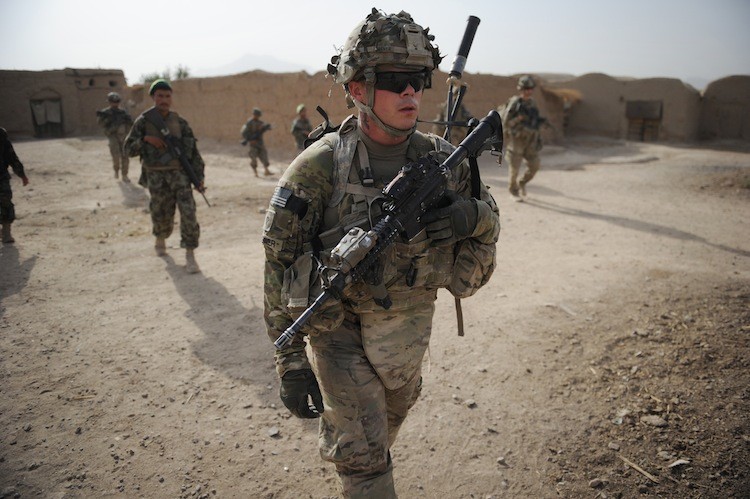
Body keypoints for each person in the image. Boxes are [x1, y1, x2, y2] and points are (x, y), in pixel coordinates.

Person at [262, 9, 500, 497]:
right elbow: (279, 263)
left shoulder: (443, 160)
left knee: (380, 438)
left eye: (418, 79)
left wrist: (469, 216)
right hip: (339, 334)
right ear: (356, 88)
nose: (410, 92)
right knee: (366, 464)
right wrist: (290, 361)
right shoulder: (319, 168)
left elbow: (488, 229)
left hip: (406, 341)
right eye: (394, 80)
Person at [124, 79, 205, 274]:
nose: (164, 100)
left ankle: (190, 255)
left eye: (167, 96)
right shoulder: (143, 122)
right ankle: (160, 239)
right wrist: (145, 139)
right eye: (160, 96)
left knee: (188, 213)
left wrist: (199, 178)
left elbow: (193, 153)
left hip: (180, 176)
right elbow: (128, 149)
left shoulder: (180, 122)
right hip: (156, 177)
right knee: (160, 213)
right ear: (153, 97)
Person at [499, 75, 547, 201]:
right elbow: (506, 122)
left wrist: (540, 124)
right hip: (517, 140)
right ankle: (514, 191)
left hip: (530, 139)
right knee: (514, 168)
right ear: (521, 89)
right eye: (526, 88)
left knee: (535, 165)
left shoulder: (532, 103)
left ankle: (522, 183)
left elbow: (534, 119)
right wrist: (518, 119)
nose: (528, 91)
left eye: (530, 88)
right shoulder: (515, 103)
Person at [0, 128, 29, 244]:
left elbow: (11, 156)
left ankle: (6, 232)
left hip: (1, 176)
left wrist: (21, 174)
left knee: (5, 202)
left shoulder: (1, 135)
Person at [96, 92, 134, 181]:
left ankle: (125, 175)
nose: (115, 103)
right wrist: (109, 120)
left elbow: (131, 123)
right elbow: (101, 124)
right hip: (112, 136)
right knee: (115, 156)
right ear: (109, 102)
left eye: (117, 101)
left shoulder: (123, 112)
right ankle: (116, 170)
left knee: (125, 156)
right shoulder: (105, 113)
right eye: (113, 101)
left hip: (123, 136)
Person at [241, 108, 272, 176]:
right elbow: (244, 132)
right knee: (253, 158)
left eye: (258, 115)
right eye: (256, 115)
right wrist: (250, 140)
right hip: (253, 143)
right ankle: (255, 173)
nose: (257, 116)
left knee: (264, 156)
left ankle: (266, 171)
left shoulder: (260, 123)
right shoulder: (249, 123)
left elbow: (266, 128)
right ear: (253, 114)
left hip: (260, 143)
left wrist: (266, 127)